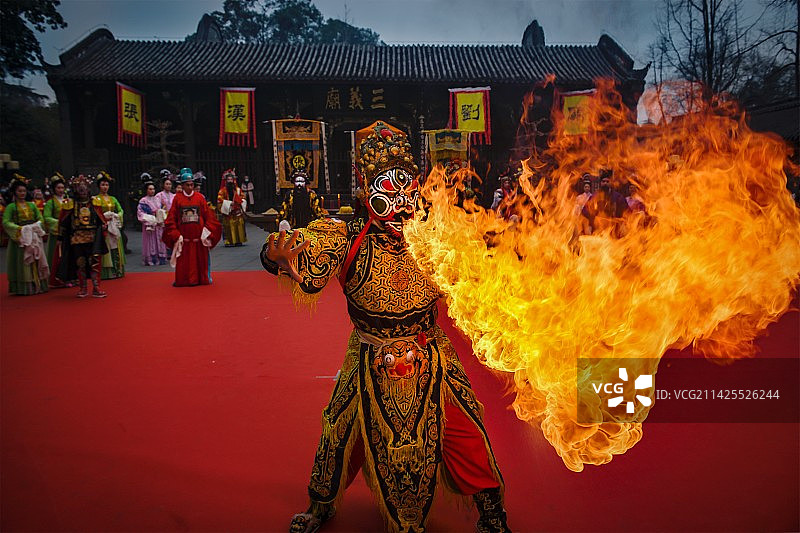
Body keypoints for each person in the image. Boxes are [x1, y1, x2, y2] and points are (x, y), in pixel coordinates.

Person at [263, 121, 509, 533]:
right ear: (365, 190)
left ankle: (492, 513)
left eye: (406, 187)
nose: (400, 202)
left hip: (431, 351)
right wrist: (277, 252)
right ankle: (320, 506)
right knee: (340, 432)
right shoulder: (346, 236)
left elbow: (480, 272)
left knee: (466, 429)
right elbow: (300, 250)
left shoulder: (437, 234)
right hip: (369, 353)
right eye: (386, 189)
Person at [163, 168, 222, 287]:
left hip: (198, 238)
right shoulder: (177, 199)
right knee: (185, 261)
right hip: (183, 238)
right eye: (187, 185)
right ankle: (184, 280)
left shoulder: (200, 198)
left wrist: (206, 231)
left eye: (192, 184)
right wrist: (175, 234)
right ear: (182, 185)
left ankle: (202, 278)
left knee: (200, 260)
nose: (190, 187)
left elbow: (209, 216)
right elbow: (171, 219)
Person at [57, 175, 108, 298]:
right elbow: (63, 222)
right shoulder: (69, 204)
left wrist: (104, 227)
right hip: (77, 238)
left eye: (85, 188)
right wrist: (60, 238)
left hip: (93, 237)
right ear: (75, 190)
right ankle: (83, 288)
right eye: (80, 189)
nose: (83, 191)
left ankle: (96, 287)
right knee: (80, 263)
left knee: (94, 263)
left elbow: (101, 219)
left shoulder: (95, 202)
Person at [2, 177, 49, 295]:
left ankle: (38, 284)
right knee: (23, 261)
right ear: (14, 192)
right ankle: (24, 287)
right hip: (21, 237)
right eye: (19, 191)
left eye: (24, 191)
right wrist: (20, 229)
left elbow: (40, 218)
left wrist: (37, 225)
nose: (22, 193)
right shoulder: (11, 207)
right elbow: (6, 222)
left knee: (38, 258)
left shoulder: (32, 205)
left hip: (33, 234)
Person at [93, 171, 126, 279]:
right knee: (106, 247)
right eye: (103, 185)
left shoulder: (113, 199)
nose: (105, 187)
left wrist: (117, 215)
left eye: (107, 185)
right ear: (99, 186)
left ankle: (117, 270)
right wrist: (103, 217)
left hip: (113, 225)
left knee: (116, 247)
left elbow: (121, 210)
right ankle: (107, 272)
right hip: (104, 226)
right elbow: (94, 213)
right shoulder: (96, 199)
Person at [43, 173, 70, 287]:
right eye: (58, 188)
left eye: (62, 188)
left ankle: (69, 277)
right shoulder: (50, 202)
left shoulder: (68, 200)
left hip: (68, 232)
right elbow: (47, 217)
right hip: (57, 232)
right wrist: (59, 223)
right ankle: (55, 279)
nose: (61, 190)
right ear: (54, 189)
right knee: (56, 255)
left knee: (68, 254)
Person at [137, 181, 168, 266]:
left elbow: (163, 210)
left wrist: (161, 214)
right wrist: (151, 218)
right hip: (150, 224)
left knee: (160, 240)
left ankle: (160, 257)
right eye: (150, 189)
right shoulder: (143, 201)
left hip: (158, 224)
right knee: (151, 241)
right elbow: (140, 213)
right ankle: (151, 258)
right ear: (146, 190)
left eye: (153, 189)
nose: (152, 191)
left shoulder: (158, 199)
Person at [216, 168, 247, 246]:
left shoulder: (238, 190)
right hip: (228, 212)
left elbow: (243, 198)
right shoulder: (222, 191)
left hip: (237, 211)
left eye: (231, 179)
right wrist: (229, 204)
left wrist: (239, 202)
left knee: (239, 225)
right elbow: (219, 200)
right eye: (228, 179)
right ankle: (229, 241)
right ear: (226, 181)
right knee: (228, 226)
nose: (230, 181)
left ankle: (239, 240)